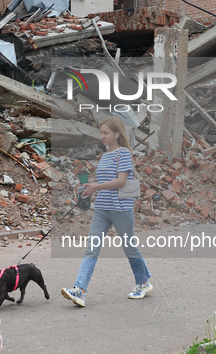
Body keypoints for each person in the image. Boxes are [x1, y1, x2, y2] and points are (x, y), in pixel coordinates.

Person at [61, 117, 152, 307]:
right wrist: (88, 188)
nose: (102, 136)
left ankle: (143, 283)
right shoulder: (104, 156)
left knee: (129, 247)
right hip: (102, 209)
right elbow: (102, 184)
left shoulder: (124, 154)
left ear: (116, 134)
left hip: (121, 209)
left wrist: (95, 187)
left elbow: (121, 182)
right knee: (91, 249)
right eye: (101, 132)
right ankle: (80, 290)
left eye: (106, 133)